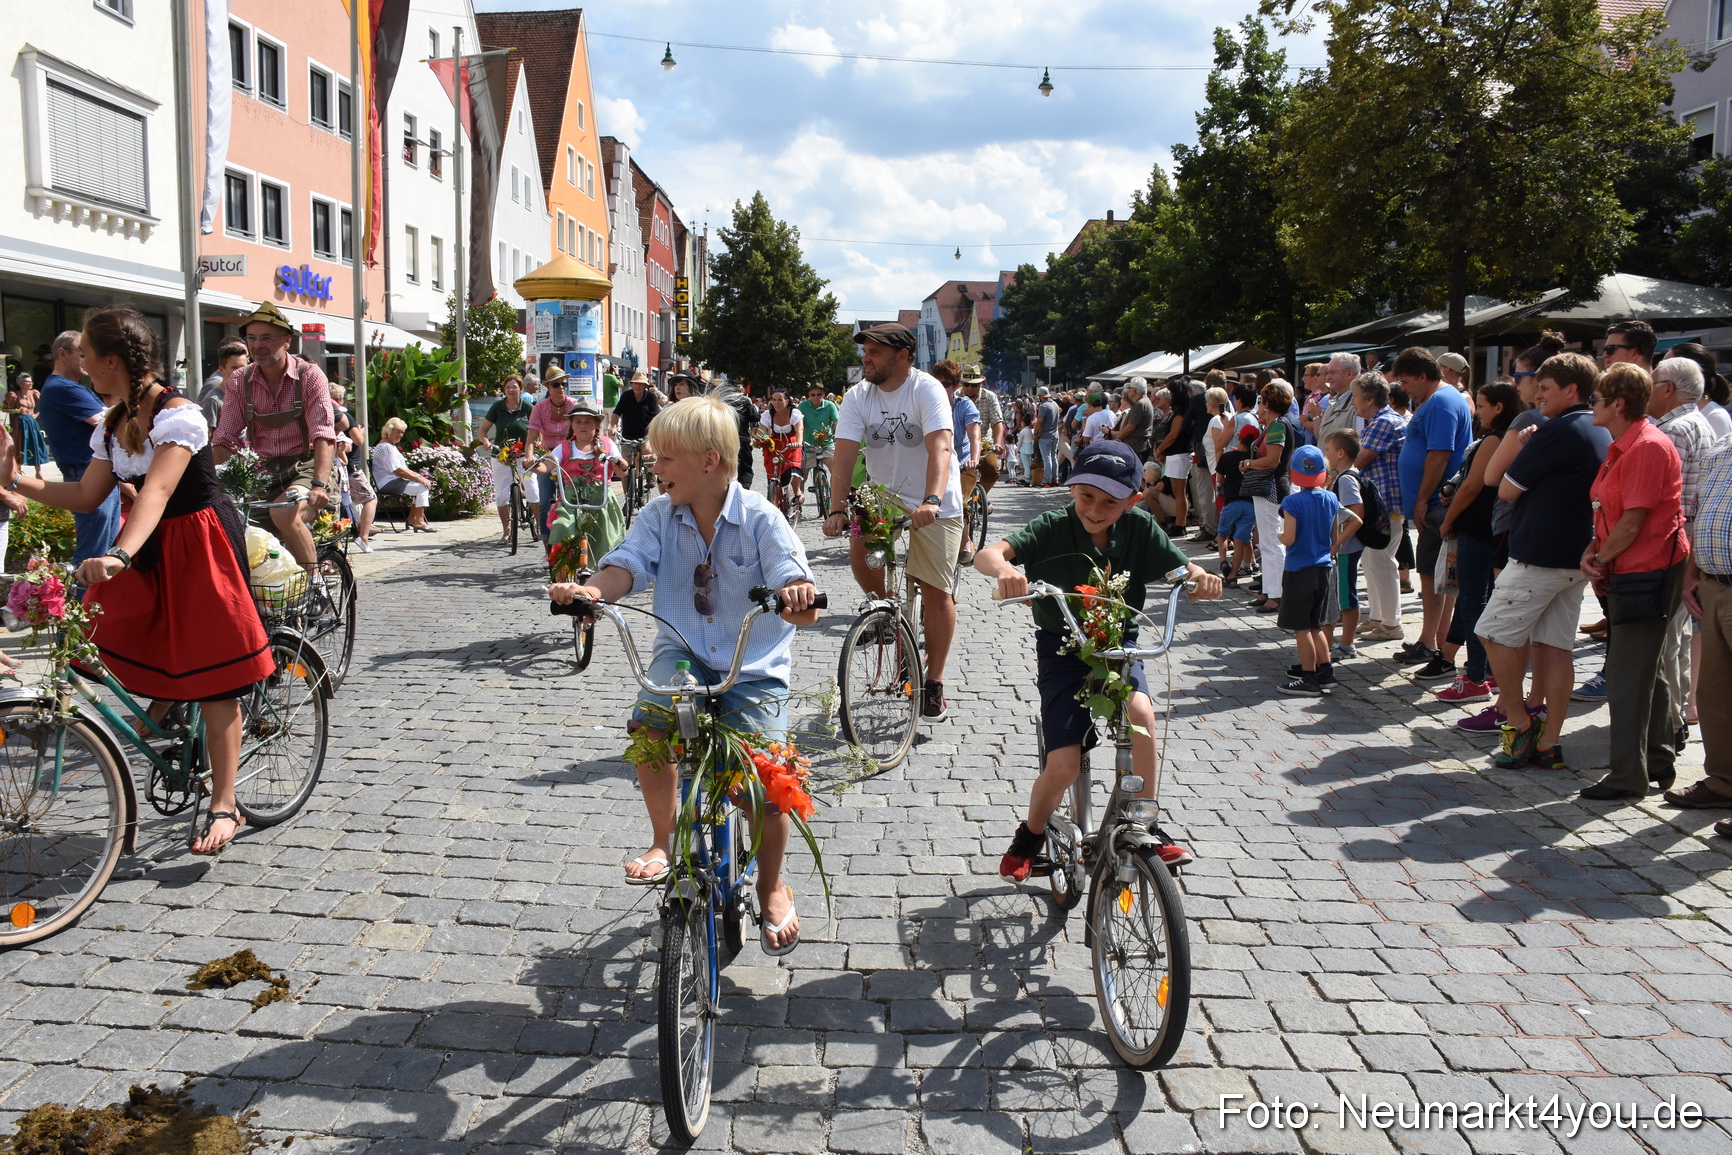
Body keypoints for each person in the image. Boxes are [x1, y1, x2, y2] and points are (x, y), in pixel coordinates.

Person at [549, 395, 820, 953]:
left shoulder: (762, 519)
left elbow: (801, 594)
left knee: (769, 787)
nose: (655, 466)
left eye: (667, 457)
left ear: (710, 461)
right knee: (651, 726)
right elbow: (626, 565)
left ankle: (771, 887)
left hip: (752, 666)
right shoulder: (657, 515)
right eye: (654, 457)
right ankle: (664, 841)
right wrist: (593, 590)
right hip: (683, 653)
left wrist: (797, 597)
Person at [0, 307, 273, 855]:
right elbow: (82, 495)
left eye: (83, 354)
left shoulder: (179, 414)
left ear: (109, 361)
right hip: (147, 546)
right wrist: (13, 480)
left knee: (216, 677)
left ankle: (224, 804)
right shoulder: (112, 420)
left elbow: (158, 492)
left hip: (198, 544)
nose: (79, 364)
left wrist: (120, 555)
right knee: (107, 642)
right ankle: (165, 706)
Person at [974, 441, 1221, 878]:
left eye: (1110, 501)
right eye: (1087, 495)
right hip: (1064, 651)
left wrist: (1200, 577)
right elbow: (987, 554)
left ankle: (1146, 821)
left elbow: (1184, 571)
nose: (1095, 509)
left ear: (1133, 499)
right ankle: (1030, 834)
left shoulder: (1142, 529)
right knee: (1065, 764)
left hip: (1119, 650)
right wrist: (1007, 570)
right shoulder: (1053, 526)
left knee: (1142, 711)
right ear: (1073, 489)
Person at [1477, 353, 1611, 770]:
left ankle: (1517, 724)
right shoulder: (1599, 428)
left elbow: (1506, 490)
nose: (1537, 395)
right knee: (1554, 648)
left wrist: (1525, 446)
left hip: (1540, 556)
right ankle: (1550, 741)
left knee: (1493, 634)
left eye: (1546, 389)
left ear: (1572, 390)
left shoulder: (1556, 430)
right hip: (1576, 555)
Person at [823, 322, 963, 720]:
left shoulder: (926, 389)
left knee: (936, 592)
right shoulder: (857, 396)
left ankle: (933, 682)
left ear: (903, 356)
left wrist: (932, 499)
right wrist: (837, 509)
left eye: (875, 352)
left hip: (933, 499)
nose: (866, 358)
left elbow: (940, 446)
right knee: (860, 547)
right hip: (882, 496)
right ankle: (885, 614)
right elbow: (846, 455)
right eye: (864, 351)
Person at [1576, 363, 1688, 800]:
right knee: (1646, 667)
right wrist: (1594, 550)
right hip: (1632, 565)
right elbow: (1610, 510)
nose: (1591, 408)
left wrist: (1600, 558)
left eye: (1596, 400)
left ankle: (1628, 776)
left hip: (1648, 569)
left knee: (1627, 673)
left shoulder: (1645, 446)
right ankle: (1656, 760)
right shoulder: (1624, 444)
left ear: (1617, 404)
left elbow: (1636, 520)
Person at [211, 301, 336, 571]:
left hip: (305, 467)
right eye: (252, 338)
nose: (257, 345)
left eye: (267, 337)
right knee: (228, 522)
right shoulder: (239, 381)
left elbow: (324, 435)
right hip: (263, 472)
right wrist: (218, 485)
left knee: (283, 511)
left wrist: (319, 485)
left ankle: (314, 585)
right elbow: (224, 437)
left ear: (287, 341)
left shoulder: (309, 376)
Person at [1433, 382, 1521, 701]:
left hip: (1478, 528)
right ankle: (1490, 671)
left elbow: (1471, 487)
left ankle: (1474, 677)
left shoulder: (1495, 439)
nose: (1477, 412)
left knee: (1473, 602)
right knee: (1487, 601)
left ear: (1498, 408)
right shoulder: (1505, 438)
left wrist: (1448, 519)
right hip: (1493, 529)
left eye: (1482, 405)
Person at [1392, 347, 1473, 681]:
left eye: (1407, 381)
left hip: (1438, 506)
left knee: (1433, 575)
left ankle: (1437, 645)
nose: (1404, 388)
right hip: (1436, 506)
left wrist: (1423, 500)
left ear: (1424, 376)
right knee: (1434, 575)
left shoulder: (1441, 402)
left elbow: (1439, 455)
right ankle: (1432, 640)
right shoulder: (1438, 399)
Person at [1677, 435, 1732, 814]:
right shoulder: (1721, 448)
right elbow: (1700, 513)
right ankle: (1723, 781)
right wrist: (1693, 571)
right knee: (1714, 694)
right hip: (1712, 585)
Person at [38, 330, 121, 566]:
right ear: (62, 354)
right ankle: (84, 602)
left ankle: (95, 602)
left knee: (103, 553)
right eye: (81, 354)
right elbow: (110, 422)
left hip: (93, 472)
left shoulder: (70, 387)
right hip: (87, 474)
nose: (87, 361)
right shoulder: (62, 388)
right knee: (94, 556)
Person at [1278, 446, 1352, 695]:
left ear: (1293, 473)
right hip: (1324, 569)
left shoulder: (1292, 502)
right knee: (1317, 625)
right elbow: (1333, 536)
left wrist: (1277, 534)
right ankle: (1326, 672)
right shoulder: (1331, 498)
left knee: (1301, 628)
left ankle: (1308, 678)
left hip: (1299, 569)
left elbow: (1289, 538)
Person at [537, 396, 627, 565]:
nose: (583, 425)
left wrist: (621, 464)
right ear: (571, 424)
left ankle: (601, 583)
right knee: (562, 528)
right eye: (578, 421)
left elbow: (621, 470)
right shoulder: (563, 447)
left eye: (588, 421)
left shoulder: (607, 445)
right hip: (571, 502)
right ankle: (562, 581)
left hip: (602, 502)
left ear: (597, 424)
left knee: (605, 543)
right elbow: (546, 466)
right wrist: (535, 465)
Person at [1353, 373, 1408, 643]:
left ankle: (1391, 624)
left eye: (1355, 396)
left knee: (1383, 562)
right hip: (1380, 505)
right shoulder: (1378, 420)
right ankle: (1378, 616)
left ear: (1370, 398)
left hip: (1387, 506)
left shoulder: (1384, 421)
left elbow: (1358, 462)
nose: (1353, 402)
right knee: (1371, 562)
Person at [1244, 382, 1298, 614]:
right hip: (1270, 488)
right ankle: (1270, 590)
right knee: (1267, 541)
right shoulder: (1276, 424)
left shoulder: (1277, 425)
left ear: (1267, 403)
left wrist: (1247, 463)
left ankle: (1277, 594)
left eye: (1262, 401)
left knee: (1272, 542)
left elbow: (1272, 460)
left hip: (1271, 487)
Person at [1322, 431, 1367, 661]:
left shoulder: (1347, 479)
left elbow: (1356, 515)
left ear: (1340, 453)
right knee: (1343, 596)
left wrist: (1337, 543)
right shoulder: (1342, 476)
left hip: (1347, 548)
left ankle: (1347, 645)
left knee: (1347, 598)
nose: (1325, 454)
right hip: (1345, 547)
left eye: (1328, 450)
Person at [478, 375, 536, 543]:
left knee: (533, 489)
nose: (511, 390)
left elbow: (537, 429)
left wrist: (537, 442)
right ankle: (506, 531)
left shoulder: (528, 407)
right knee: (502, 495)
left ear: (520, 389)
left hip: (524, 455)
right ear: (504, 390)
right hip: (501, 456)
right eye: (508, 387)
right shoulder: (497, 407)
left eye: (514, 387)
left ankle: (540, 526)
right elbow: (483, 430)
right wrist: (486, 441)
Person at [933, 363, 982, 563]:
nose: (940, 388)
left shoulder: (964, 405)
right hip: (935, 462)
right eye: (936, 384)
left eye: (945, 384)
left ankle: (965, 541)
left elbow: (975, 436)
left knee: (960, 500)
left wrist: (973, 460)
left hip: (961, 462)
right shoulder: (926, 405)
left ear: (955, 386)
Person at [1216, 425, 1260, 587]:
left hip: (1232, 502)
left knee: (1222, 534)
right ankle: (1233, 576)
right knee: (1241, 539)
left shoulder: (1227, 457)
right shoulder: (1255, 459)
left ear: (1239, 438)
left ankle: (1223, 562)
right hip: (1250, 504)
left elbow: (1219, 480)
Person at [372, 417, 434, 532]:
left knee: (422, 485)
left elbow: (403, 469)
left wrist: (420, 478)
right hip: (387, 483)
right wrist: (420, 479)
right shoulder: (386, 447)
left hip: (392, 481)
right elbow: (398, 471)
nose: (400, 435)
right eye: (398, 431)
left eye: (402, 432)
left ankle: (412, 519)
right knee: (421, 487)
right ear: (389, 431)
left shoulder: (390, 446)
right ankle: (419, 521)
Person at [528, 366, 575, 517]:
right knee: (544, 500)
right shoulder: (540, 408)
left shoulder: (574, 405)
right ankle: (545, 538)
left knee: (572, 498)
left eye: (564, 384)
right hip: (547, 454)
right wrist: (529, 457)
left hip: (569, 453)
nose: (561, 387)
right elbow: (531, 436)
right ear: (547, 386)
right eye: (556, 384)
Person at [1152, 380, 1192, 533]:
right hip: (1178, 455)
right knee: (1180, 493)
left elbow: (1173, 435)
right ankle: (1180, 523)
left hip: (1178, 454)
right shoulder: (1181, 412)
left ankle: (1180, 525)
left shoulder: (1180, 414)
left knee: (1179, 493)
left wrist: (1160, 449)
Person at [959, 368, 1004, 498]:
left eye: (974, 385)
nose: (969, 388)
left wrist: (997, 443)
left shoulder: (990, 397)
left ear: (981, 383)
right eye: (966, 384)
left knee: (993, 469)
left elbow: (997, 422)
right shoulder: (956, 395)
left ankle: (980, 497)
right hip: (961, 443)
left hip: (983, 442)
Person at [757, 386, 805, 505]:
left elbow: (800, 429)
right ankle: (774, 497)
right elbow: (761, 431)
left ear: (787, 401)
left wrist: (798, 443)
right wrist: (758, 440)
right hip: (775, 442)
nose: (776, 403)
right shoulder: (768, 415)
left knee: (792, 466)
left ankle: (797, 491)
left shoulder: (794, 413)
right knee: (772, 467)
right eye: (774, 400)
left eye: (780, 400)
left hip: (791, 442)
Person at [799, 381, 841, 497]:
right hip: (808, 445)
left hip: (826, 444)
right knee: (801, 476)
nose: (816, 397)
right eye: (813, 395)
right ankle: (799, 504)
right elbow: (799, 424)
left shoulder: (830, 405)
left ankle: (836, 498)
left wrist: (837, 437)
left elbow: (836, 422)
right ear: (809, 396)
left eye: (819, 394)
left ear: (823, 394)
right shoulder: (802, 406)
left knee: (837, 472)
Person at [200, 340, 247, 430]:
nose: (240, 372)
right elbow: (207, 438)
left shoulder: (249, 394)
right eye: (234, 368)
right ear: (221, 370)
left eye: (243, 367)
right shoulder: (213, 401)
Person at [610, 368, 662, 447]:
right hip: (627, 437)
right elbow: (616, 414)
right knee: (626, 458)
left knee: (646, 451)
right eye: (636, 383)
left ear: (645, 386)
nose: (638, 386)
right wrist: (614, 427)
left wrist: (650, 434)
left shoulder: (651, 397)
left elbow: (656, 417)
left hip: (645, 436)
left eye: (641, 384)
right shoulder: (626, 396)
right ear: (632, 384)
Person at [1033, 386, 1061, 487]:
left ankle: (1046, 481)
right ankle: (1055, 479)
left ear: (1040, 396)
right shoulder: (1055, 404)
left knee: (1047, 458)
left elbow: (1040, 421)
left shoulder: (1044, 406)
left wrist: (1035, 433)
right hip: (1055, 434)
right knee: (1054, 457)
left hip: (1045, 435)